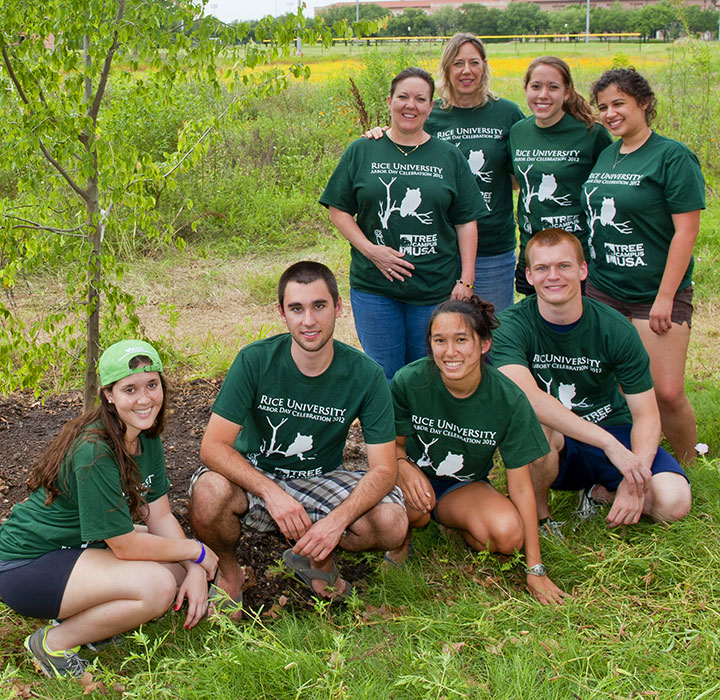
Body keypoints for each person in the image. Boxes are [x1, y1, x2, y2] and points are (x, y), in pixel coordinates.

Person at [188, 261, 407, 606]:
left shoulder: (366, 375)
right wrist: (271, 492)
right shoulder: (255, 360)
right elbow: (212, 447)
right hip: (256, 474)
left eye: (319, 306)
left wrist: (337, 522)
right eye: (296, 308)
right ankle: (229, 574)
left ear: (338, 307)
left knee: (392, 523)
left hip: (320, 478)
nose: (308, 320)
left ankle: (314, 556)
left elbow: (384, 469)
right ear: (282, 312)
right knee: (208, 492)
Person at [0, 340, 218, 678]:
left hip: (75, 546)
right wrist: (197, 551)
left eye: (152, 385)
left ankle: (88, 621)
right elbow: (125, 545)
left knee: (176, 572)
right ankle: (53, 644)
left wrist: (193, 568)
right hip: (28, 564)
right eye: (130, 389)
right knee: (158, 587)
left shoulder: (144, 436)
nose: (144, 399)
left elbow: (158, 515)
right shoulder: (95, 450)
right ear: (109, 395)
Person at [491, 228, 691, 531]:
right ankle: (540, 518)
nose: (553, 276)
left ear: (583, 270)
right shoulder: (510, 326)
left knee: (674, 502)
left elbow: (647, 414)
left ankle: (601, 492)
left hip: (612, 427)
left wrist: (634, 480)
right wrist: (608, 445)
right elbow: (529, 399)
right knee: (535, 422)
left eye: (564, 266)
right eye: (542, 268)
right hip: (557, 439)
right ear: (529, 276)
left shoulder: (615, 328)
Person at [387, 296, 567, 605]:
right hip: (410, 476)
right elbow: (391, 446)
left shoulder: (508, 398)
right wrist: (404, 467)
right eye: (439, 340)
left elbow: (521, 486)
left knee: (508, 536)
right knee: (412, 511)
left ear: (484, 344)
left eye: (461, 340)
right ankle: (402, 540)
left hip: (462, 486)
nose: (450, 352)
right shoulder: (410, 381)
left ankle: (453, 522)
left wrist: (535, 568)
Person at [320, 67, 482, 382]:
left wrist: (466, 280)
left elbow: (466, 221)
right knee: (383, 374)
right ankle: (388, 419)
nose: (411, 105)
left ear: (431, 106)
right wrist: (371, 251)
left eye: (420, 99)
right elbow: (338, 211)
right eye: (403, 97)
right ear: (390, 101)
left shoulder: (449, 156)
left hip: (433, 287)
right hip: (375, 288)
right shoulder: (363, 149)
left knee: (427, 374)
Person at [583, 68, 706, 464]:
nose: (610, 113)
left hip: (653, 292)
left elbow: (686, 231)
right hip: (603, 289)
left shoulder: (672, 156)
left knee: (666, 392)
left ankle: (690, 463)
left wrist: (665, 297)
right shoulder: (606, 155)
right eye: (603, 107)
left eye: (619, 103)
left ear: (644, 103)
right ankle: (624, 465)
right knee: (617, 391)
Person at [364, 35, 524, 312]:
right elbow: (402, 143)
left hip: (492, 247)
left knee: (494, 329)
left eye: (474, 62)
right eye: (458, 63)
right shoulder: (430, 113)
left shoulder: (507, 113)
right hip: (440, 249)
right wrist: (378, 134)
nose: (466, 71)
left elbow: (519, 176)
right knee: (447, 330)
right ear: (446, 68)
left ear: (485, 66)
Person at [509, 56, 612, 296]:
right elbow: (516, 182)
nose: (543, 95)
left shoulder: (591, 133)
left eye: (553, 87)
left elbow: (608, 189)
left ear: (567, 93)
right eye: (536, 86)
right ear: (526, 89)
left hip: (576, 257)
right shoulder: (518, 132)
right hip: (534, 254)